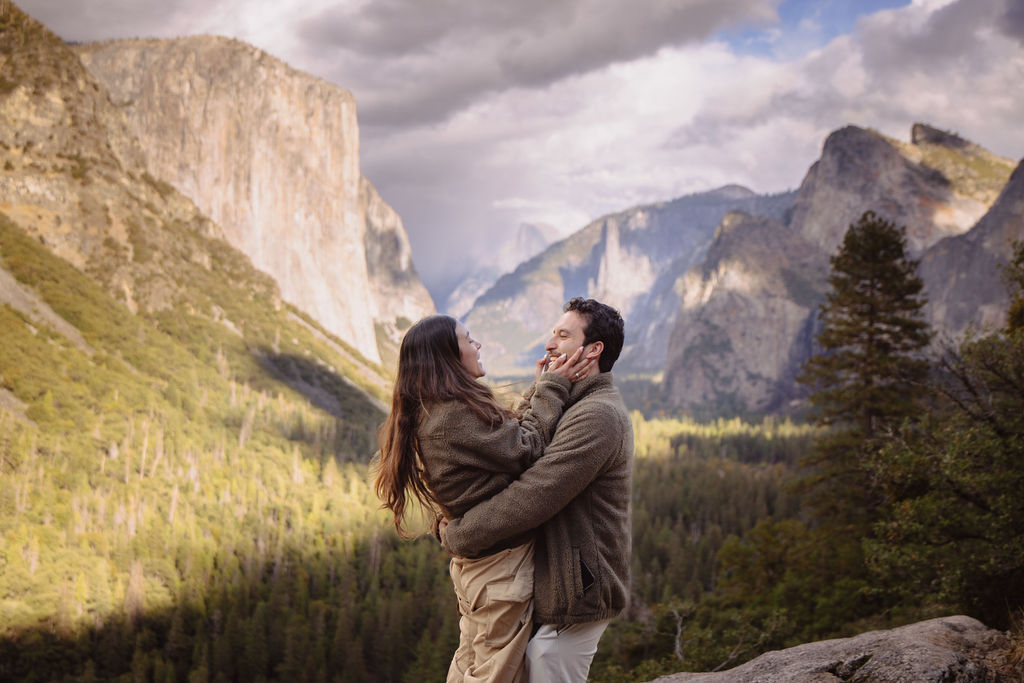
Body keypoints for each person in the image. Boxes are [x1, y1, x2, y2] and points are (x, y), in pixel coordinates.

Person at [374, 314, 593, 683]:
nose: (477, 345)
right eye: (468, 339)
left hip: (480, 569)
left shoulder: (439, 409)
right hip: (499, 570)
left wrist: (540, 389)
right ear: (448, 356)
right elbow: (527, 447)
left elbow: (506, 440)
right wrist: (554, 387)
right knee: (495, 674)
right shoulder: (452, 414)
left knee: (470, 664)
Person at [441, 297, 634, 683]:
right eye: (552, 334)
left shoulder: (598, 416)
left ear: (593, 349)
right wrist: (543, 388)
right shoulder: (571, 401)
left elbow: (534, 493)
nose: (549, 344)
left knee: (545, 665)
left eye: (563, 335)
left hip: (577, 591)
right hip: (552, 585)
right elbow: (518, 448)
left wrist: (461, 532)